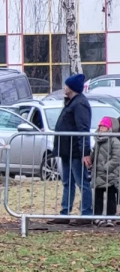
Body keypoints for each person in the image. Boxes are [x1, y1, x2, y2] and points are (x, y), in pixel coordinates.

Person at [49, 73, 93, 225]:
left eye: (66, 85)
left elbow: (83, 129)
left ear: (72, 88)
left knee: (82, 182)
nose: (64, 87)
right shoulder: (71, 102)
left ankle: (87, 214)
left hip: (75, 151)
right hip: (67, 150)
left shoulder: (80, 104)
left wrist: (84, 152)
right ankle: (65, 212)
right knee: (68, 182)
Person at [92, 116, 119, 225]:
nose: (102, 128)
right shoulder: (97, 141)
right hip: (98, 173)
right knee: (98, 196)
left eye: (104, 126)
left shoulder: (114, 141)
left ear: (109, 128)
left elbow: (117, 157)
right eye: (100, 126)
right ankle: (97, 216)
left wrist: (107, 167)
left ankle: (110, 217)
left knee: (111, 196)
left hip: (110, 174)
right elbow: (95, 153)